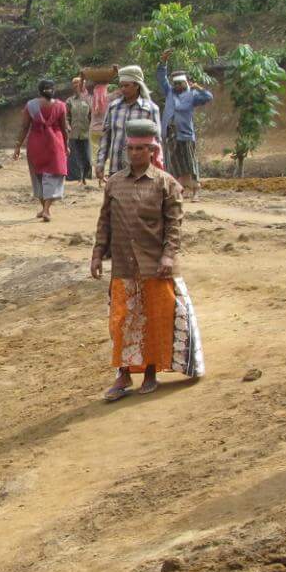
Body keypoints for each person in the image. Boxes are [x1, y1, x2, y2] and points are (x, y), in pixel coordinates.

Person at [91, 119, 204, 400]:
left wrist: (168, 255)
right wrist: (97, 253)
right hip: (123, 264)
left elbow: (174, 225)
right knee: (122, 319)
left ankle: (151, 371)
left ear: (153, 151)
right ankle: (124, 374)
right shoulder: (114, 183)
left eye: (142, 148)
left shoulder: (167, 184)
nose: (136, 153)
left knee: (155, 318)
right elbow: (104, 221)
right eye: (131, 148)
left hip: (155, 265)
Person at [13, 79, 70, 222]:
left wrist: (18, 146)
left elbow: (24, 127)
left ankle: (45, 209)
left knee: (37, 176)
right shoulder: (61, 106)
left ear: (39, 91)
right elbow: (64, 128)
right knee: (54, 176)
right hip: (55, 144)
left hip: (36, 144)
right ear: (53, 90)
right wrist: (66, 144)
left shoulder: (31, 105)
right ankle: (46, 209)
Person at [96, 65, 161, 179]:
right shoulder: (113, 107)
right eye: (121, 86)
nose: (123, 89)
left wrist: (158, 164)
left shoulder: (150, 109)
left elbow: (157, 140)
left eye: (126, 86)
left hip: (142, 170)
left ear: (137, 85)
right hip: (116, 167)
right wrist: (100, 162)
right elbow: (106, 137)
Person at [162, 70, 213, 200]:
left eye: (180, 83)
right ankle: (179, 190)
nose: (178, 86)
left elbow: (208, 97)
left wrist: (198, 88)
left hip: (185, 134)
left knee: (190, 163)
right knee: (174, 163)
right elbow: (161, 78)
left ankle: (196, 190)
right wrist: (163, 64)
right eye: (176, 83)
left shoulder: (192, 95)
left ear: (186, 83)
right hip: (170, 134)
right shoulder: (169, 93)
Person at [64, 76, 95, 189]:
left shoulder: (90, 99)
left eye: (78, 83)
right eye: (74, 84)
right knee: (74, 157)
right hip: (73, 133)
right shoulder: (69, 101)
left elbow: (94, 115)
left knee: (86, 157)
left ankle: (86, 178)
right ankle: (76, 179)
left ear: (84, 85)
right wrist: (67, 125)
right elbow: (66, 116)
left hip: (86, 133)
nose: (76, 85)